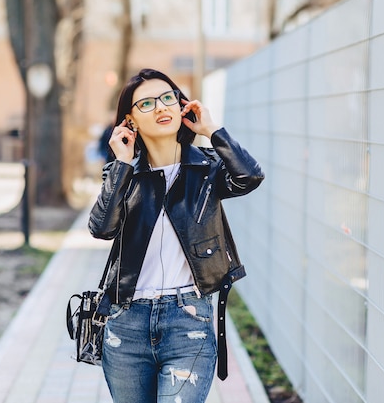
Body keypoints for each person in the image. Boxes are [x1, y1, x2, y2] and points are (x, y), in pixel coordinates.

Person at [88, 68, 264, 403]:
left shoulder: (208, 168)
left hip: (188, 323)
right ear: (131, 121)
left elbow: (249, 177)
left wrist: (212, 131)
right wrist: (122, 165)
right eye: (147, 103)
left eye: (168, 98)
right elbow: (102, 228)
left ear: (182, 106)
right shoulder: (123, 172)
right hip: (127, 324)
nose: (161, 107)